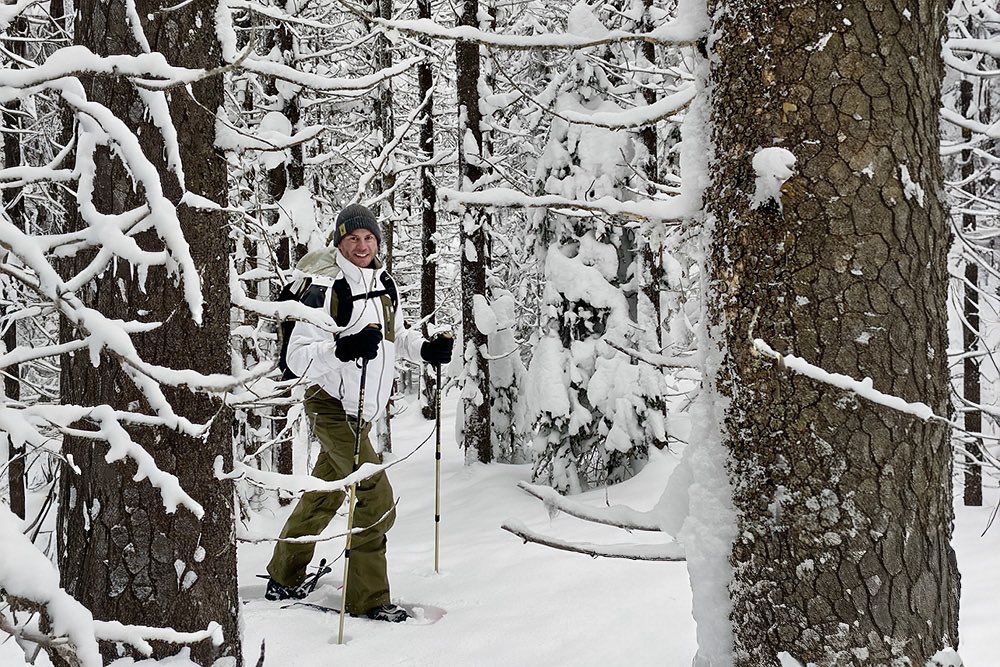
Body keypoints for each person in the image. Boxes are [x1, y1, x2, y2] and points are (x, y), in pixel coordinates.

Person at [265, 203, 453, 622]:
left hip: (362, 410)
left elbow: (394, 337)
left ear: (378, 243)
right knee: (375, 495)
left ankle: (284, 573)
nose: (362, 245)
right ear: (339, 242)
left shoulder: (385, 284)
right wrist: (342, 348)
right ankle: (367, 599)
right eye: (353, 238)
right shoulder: (326, 288)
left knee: (325, 494)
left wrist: (424, 349)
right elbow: (296, 358)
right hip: (330, 405)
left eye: (369, 238)